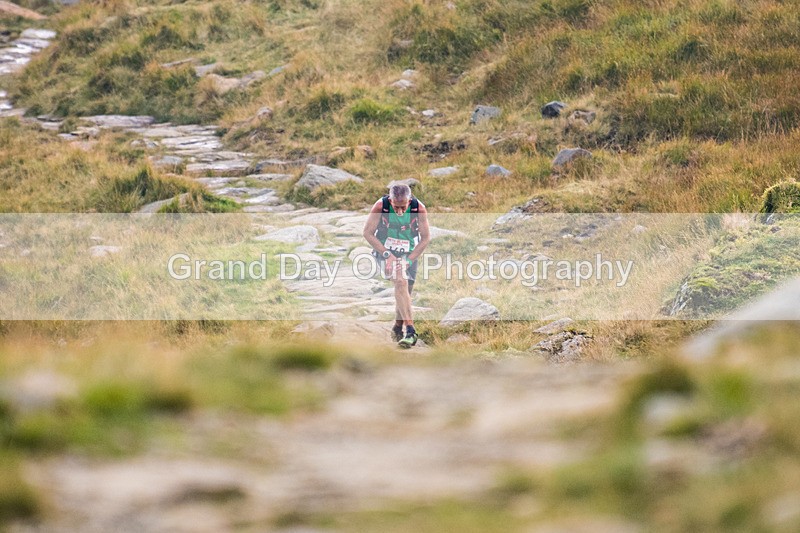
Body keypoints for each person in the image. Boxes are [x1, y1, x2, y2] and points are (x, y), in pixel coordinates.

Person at [362, 182, 431, 348]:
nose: (400, 212)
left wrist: (408, 260)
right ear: (390, 200)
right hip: (385, 250)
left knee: (405, 293)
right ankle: (411, 331)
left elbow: (425, 238)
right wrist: (387, 254)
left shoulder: (418, 208)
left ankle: (398, 327)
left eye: (403, 207)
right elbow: (367, 233)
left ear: (409, 200)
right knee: (400, 281)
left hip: (409, 252)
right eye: (396, 207)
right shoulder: (381, 206)